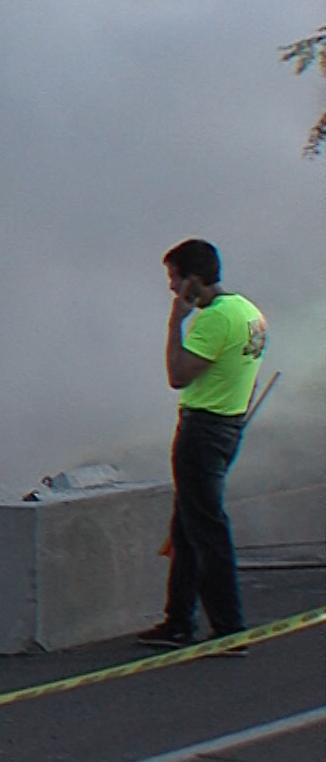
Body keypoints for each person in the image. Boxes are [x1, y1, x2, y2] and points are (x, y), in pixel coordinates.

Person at [138, 239, 267, 651]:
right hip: (228, 424)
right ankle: (178, 620)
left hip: (202, 431)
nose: (172, 289)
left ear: (193, 280)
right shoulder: (248, 311)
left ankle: (229, 627)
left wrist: (174, 324)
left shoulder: (212, 319)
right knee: (187, 527)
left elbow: (178, 376)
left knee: (206, 530)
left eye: (174, 278)